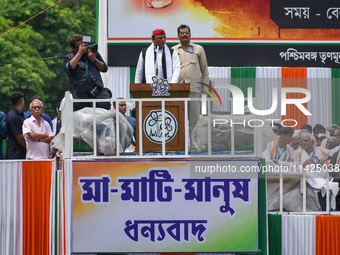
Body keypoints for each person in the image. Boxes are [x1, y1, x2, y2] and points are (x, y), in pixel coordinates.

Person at [172, 24, 209, 149]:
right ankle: (179, 145)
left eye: (186, 33)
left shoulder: (198, 49)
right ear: (178, 35)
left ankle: (193, 146)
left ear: (190, 34)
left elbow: (204, 72)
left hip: (194, 89)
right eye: (181, 33)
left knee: (194, 120)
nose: (184, 35)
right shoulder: (172, 50)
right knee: (178, 120)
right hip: (177, 91)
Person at [64, 34, 111, 111]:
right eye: (80, 47)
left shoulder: (92, 54)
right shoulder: (69, 58)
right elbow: (69, 67)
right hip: (81, 95)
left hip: (98, 92)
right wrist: (79, 53)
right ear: (73, 48)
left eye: (84, 45)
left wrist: (94, 59)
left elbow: (104, 68)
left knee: (104, 113)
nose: (83, 48)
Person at [6, 92, 26, 159]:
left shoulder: (18, 115)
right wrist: (30, 147)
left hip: (20, 151)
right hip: (15, 153)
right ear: (21, 101)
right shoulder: (13, 117)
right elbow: (19, 137)